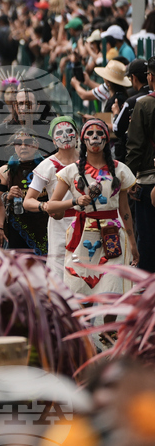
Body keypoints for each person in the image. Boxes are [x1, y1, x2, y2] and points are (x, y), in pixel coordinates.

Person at [49, 119, 138, 298]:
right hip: (82, 235)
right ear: (83, 140)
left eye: (99, 133)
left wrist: (133, 244)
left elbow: (125, 210)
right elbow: (52, 205)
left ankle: (109, 327)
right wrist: (75, 202)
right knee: (81, 289)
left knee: (112, 289)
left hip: (113, 235)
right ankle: (86, 326)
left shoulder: (120, 170)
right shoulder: (70, 171)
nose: (95, 137)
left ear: (106, 139)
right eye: (89, 134)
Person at [24, 116, 79, 276]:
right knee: (59, 271)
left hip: (86, 223)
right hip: (59, 226)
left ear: (77, 134)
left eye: (70, 131)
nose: (65, 136)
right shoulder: (47, 166)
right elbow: (28, 201)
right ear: (53, 141)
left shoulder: (88, 161)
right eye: (59, 133)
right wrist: (44, 206)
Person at [0, 129, 49, 255]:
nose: (23, 146)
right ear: (14, 146)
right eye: (19, 143)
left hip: (44, 225)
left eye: (28, 142)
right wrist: (7, 195)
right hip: (17, 228)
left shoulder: (48, 167)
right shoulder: (4, 171)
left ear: (36, 146)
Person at [126, 57, 155, 271]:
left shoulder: (144, 104)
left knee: (148, 239)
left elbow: (135, 147)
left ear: (150, 77)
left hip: (148, 181)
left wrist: (129, 178)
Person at [114, 59, 151, 160]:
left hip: (141, 158)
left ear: (134, 77)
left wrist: (116, 113)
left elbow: (117, 129)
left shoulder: (132, 102)